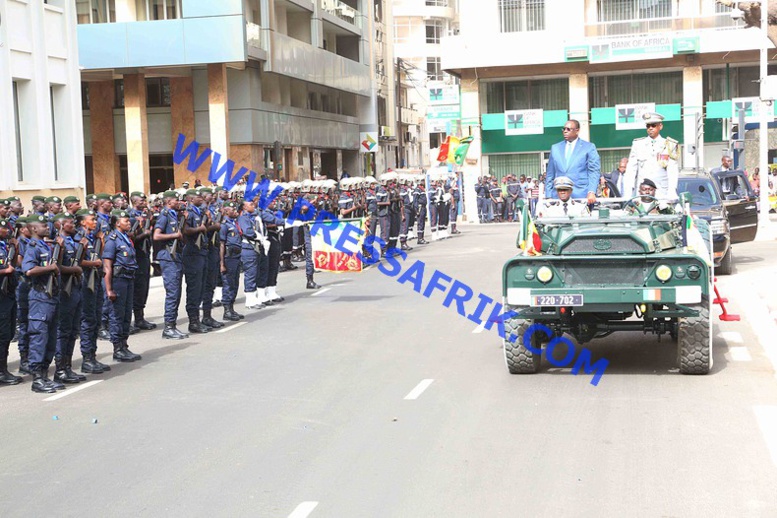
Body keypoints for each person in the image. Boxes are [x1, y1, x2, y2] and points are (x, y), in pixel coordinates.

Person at [22, 215, 63, 393]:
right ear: (34, 229)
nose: (47, 228)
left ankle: (45, 375)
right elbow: (29, 270)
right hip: (40, 297)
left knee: (51, 338)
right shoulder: (32, 247)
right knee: (40, 337)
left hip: (51, 297)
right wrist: (50, 268)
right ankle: (37, 379)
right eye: (43, 226)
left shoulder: (46, 245)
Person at [102, 210, 142, 362]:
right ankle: (117, 348)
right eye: (126, 221)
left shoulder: (125, 238)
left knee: (126, 314)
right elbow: (107, 266)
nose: (129, 223)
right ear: (117, 223)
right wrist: (109, 289)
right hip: (118, 280)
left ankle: (124, 345)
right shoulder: (112, 239)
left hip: (128, 278)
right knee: (116, 315)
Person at [53, 213, 87, 384]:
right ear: (60, 225)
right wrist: (74, 270)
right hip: (65, 290)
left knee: (74, 330)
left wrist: (83, 249)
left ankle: (68, 366)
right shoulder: (57, 242)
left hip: (75, 287)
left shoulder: (73, 241)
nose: (73, 225)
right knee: (64, 330)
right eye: (69, 223)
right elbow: (57, 267)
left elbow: (77, 263)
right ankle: (59, 369)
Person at [153, 191, 189, 340]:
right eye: (176, 200)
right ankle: (168, 327)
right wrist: (174, 236)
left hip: (176, 256)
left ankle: (172, 325)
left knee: (176, 292)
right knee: (172, 293)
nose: (178, 202)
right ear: (169, 201)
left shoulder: (174, 215)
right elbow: (156, 235)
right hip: (168, 257)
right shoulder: (164, 215)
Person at [623, 112, 680, 199]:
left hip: (662, 192)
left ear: (660, 126)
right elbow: (631, 170)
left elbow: (672, 171)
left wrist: (672, 191)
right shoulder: (638, 144)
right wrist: (628, 192)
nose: (650, 128)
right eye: (648, 126)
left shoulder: (669, 145)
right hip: (642, 192)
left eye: (653, 125)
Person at [545, 119, 600, 203]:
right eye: (564, 129)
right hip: (558, 196)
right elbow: (550, 173)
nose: (565, 131)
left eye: (568, 129)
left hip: (581, 195)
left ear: (577, 131)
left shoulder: (588, 147)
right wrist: (548, 195)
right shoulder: (555, 148)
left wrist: (591, 191)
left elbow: (594, 171)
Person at [0, 218, 23, 385]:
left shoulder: (4, 245)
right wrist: (5, 271)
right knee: (2, 334)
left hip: (8, 293)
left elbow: (13, 264)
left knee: (7, 333)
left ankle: (3, 369)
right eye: (3, 228)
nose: (7, 231)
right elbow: (8, 268)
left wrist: (15, 248)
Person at [218, 201, 244, 321]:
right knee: (228, 284)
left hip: (236, 257)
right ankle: (227, 310)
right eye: (232, 210)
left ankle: (232, 309)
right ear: (226, 211)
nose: (235, 212)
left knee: (235, 283)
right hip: (229, 257)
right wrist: (222, 263)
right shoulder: (224, 225)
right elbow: (222, 244)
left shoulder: (234, 223)